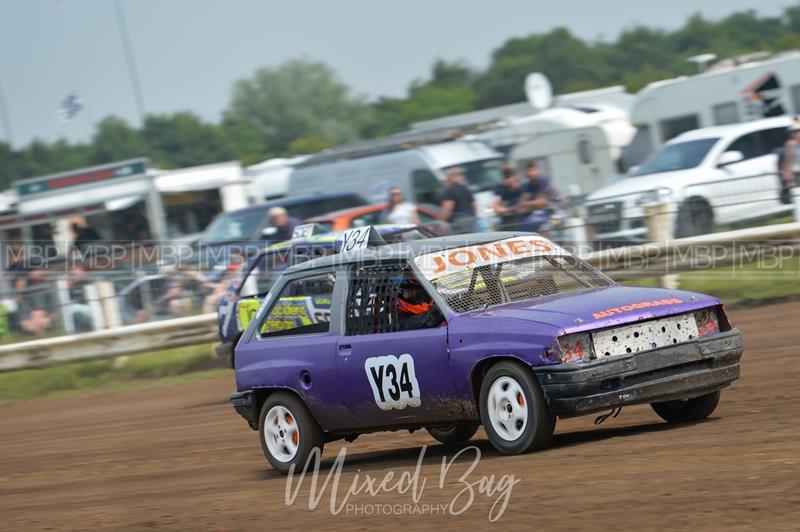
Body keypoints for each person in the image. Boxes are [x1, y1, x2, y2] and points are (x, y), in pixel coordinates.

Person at [516, 161, 567, 232]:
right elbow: (520, 209)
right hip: (544, 212)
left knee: (543, 227)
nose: (531, 173)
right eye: (529, 171)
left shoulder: (543, 181)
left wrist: (526, 204)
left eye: (533, 170)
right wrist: (529, 204)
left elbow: (541, 202)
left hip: (558, 210)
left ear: (538, 170)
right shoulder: (527, 185)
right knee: (526, 223)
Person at [439, 167, 476, 234]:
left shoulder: (449, 190)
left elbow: (447, 210)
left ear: (450, 177)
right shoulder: (465, 188)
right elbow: (473, 205)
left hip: (458, 221)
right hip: (470, 218)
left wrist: (441, 221)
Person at [493, 164, 523, 230]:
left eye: (509, 177)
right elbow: (496, 207)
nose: (507, 180)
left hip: (522, 219)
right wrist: (510, 209)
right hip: (507, 220)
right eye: (505, 178)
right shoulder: (500, 188)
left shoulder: (521, 187)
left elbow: (522, 205)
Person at [780, 117, 800, 195]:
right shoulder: (791, 145)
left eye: (797, 131)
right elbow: (787, 163)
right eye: (794, 132)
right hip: (797, 177)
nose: (794, 134)